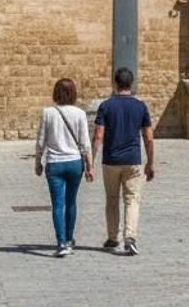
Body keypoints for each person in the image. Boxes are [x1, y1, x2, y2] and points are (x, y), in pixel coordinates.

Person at [92, 66, 155, 255]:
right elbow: (149, 137)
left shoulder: (106, 106)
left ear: (115, 83)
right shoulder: (140, 106)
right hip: (133, 160)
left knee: (112, 199)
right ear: (131, 83)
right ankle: (130, 237)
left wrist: (91, 160)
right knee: (132, 199)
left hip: (110, 160)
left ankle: (113, 237)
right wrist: (150, 162)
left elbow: (98, 135)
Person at [33, 78, 94, 257]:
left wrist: (38, 162)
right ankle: (69, 239)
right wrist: (90, 165)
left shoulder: (48, 113)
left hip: (54, 163)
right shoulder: (80, 114)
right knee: (71, 201)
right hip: (75, 162)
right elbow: (85, 143)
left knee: (58, 204)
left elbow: (40, 140)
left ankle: (61, 243)